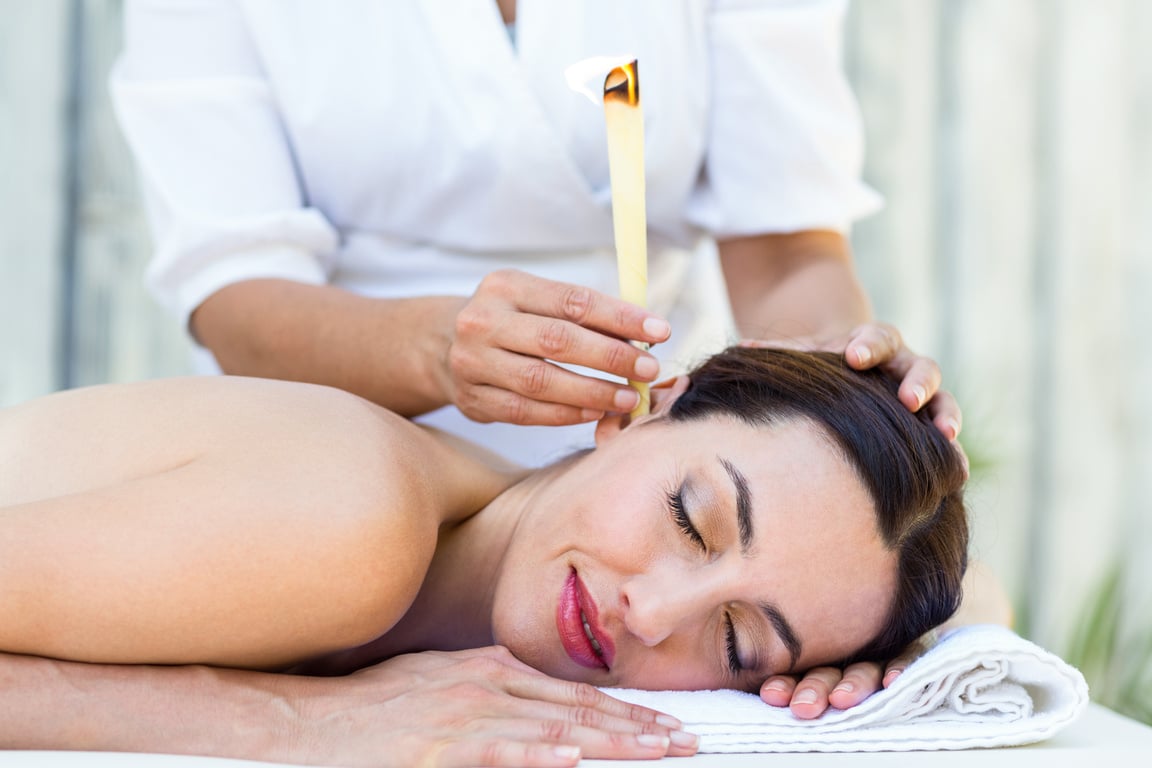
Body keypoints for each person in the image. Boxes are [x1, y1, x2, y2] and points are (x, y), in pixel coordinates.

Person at [0, 347, 972, 767]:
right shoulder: (355, 522)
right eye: (690, 518)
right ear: (646, 408)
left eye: (737, 641)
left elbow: (987, 610)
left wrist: (875, 674)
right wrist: (283, 722)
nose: (655, 611)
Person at [110, 0, 963, 470]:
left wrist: (837, 374)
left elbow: (782, 248)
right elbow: (236, 297)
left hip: (653, 455)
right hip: (330, 445)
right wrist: (441, 351)